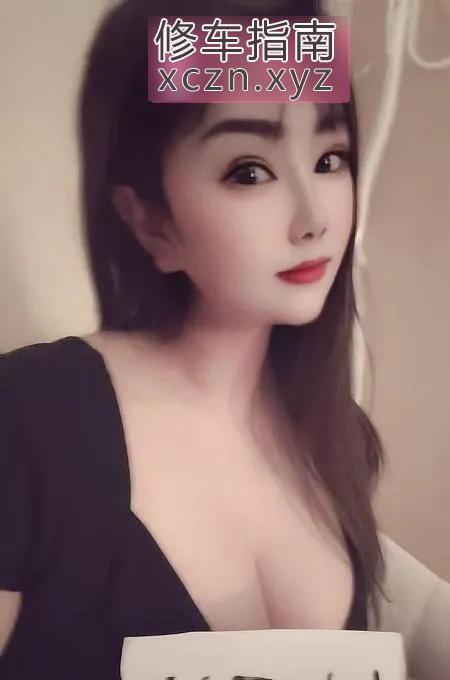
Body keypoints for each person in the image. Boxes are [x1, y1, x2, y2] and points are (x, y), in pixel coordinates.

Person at [0, 0, 391, 678]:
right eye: (250, 171)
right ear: (149, 220)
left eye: (331, 158)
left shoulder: (340, 439)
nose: (314, 217)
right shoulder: (27, 417)